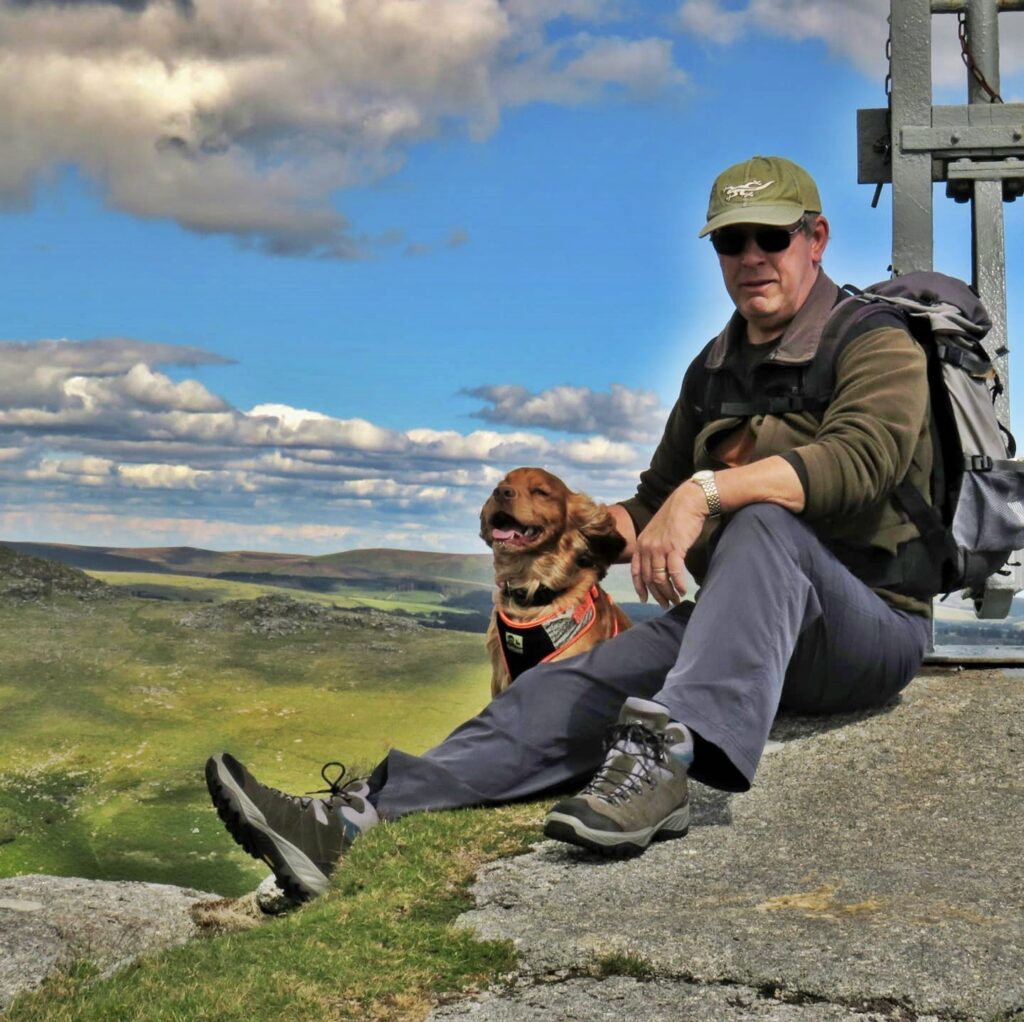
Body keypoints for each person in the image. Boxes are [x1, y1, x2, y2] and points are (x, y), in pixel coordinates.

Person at [206, 155, 935, 901]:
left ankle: (661, 766)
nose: (750, 257)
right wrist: (564, 537)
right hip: (743, 630)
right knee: (563, 687)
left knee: (759, 525)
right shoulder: (712, 369)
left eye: (771, 237)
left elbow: (862, 460)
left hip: (866, 628)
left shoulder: (876, 342)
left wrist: (708, 492)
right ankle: (351, 820)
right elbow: (651, 502)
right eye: (729, 241)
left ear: (816, 237)